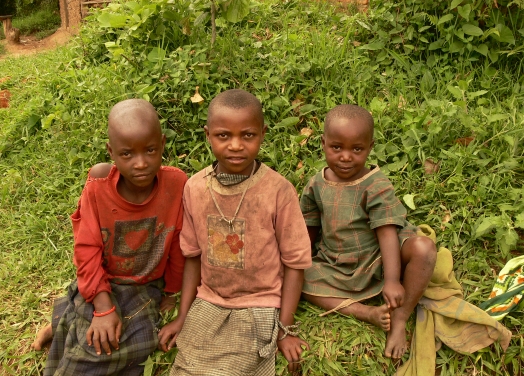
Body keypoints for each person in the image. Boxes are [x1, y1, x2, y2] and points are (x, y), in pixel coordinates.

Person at [158, 89, 312, 375]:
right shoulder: (195, 188)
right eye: (223, 135)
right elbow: (192, 256)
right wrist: (182, 317)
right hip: (210, 300)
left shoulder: (277, 190)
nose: (236, 145)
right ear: (208, 135)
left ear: (263, 134)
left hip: (260, 301)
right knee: (188, 368)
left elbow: (295, 263)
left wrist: (285, 329)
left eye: (248, 135)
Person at [36, 99, 187, 375]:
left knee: (140, 339)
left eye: (150, 150)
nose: (141, 163)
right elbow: (86, 250)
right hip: (104, 282)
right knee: (97, 338)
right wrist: (104, 308)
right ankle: (64, 324)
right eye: (127, 154)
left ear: (162, 144)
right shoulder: (99, 190)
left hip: (146, 285)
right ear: (111, 152)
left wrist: (171, 292)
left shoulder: (176, 184)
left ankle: (63, 323)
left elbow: (179, 242)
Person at [300, 104, 437, 359]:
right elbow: (309, 226)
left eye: (357, 149)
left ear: (370, 147)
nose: (346, 157)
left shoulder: (375, 185)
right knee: (296, 277)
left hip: (380, 259)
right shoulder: (317, 184)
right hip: (337, 263)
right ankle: (366, 313)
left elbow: (387, 233)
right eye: (336, 147)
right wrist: (301, 263)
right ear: (323, 143)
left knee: (424, 248)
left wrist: (393, 280)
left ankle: (399, 318)